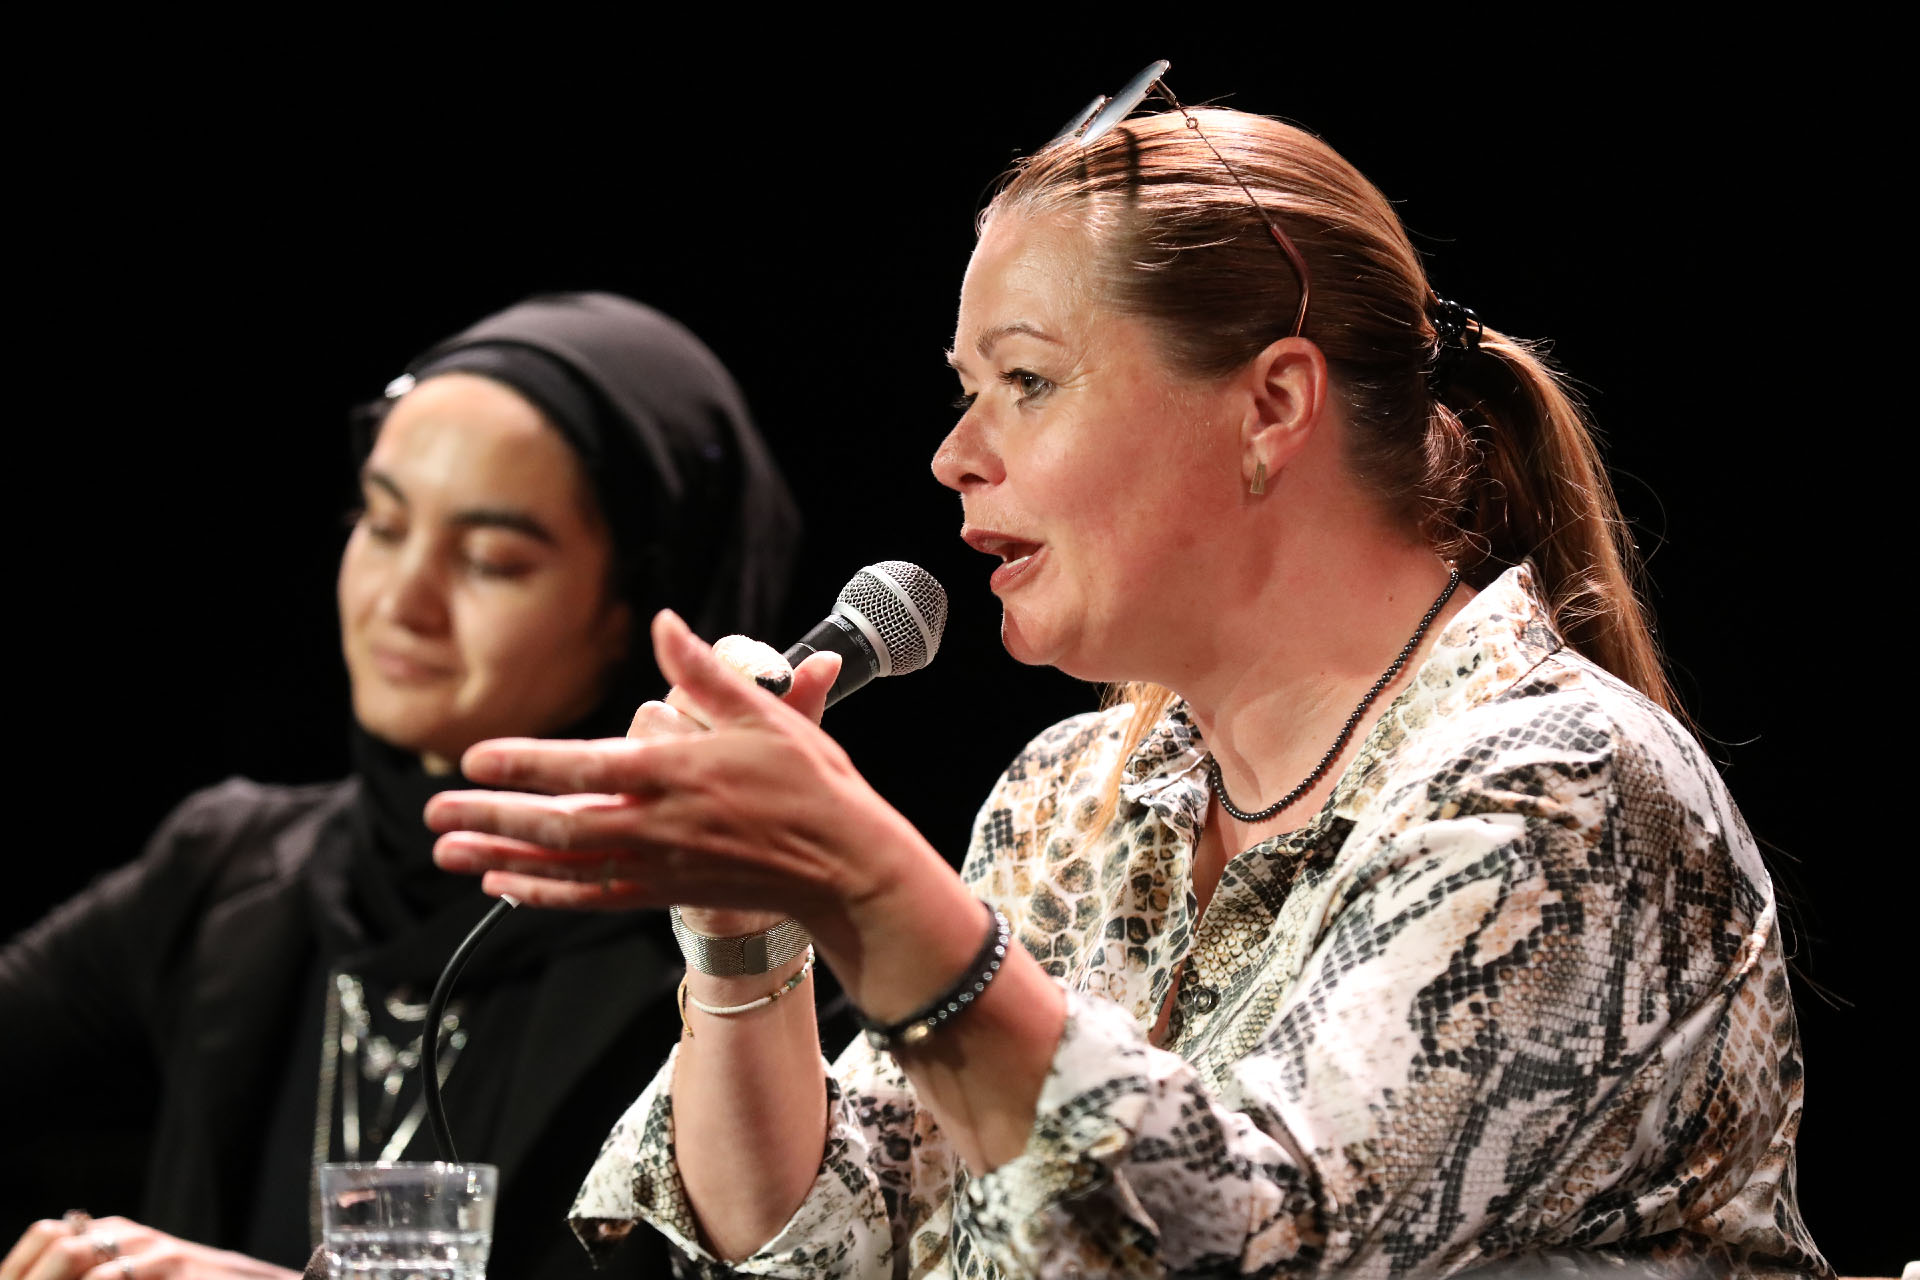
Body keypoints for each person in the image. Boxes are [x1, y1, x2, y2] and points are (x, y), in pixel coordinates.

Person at [422, 76, 1830, 1279]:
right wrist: (746, 934)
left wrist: (872, 884)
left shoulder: (1560, 789)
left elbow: (1242, 1249)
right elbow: (829, 1244)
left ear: (1272, 405)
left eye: (1027, 382)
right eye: (966, 388)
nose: (955, 456)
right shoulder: (1072, 800)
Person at [0, 292, 800, 1279]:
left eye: (491, 560)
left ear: (642, 604)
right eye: (379, 524)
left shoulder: (744, 948)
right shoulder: (232, 870)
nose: (401, 600)